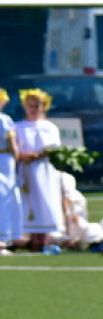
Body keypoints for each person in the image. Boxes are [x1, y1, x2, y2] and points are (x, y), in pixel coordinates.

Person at [15, 88, 62, 252]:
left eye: (37, 106)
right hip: (25, 170)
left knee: (43, 200)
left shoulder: (49, 127)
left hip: (42, 170)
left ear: (44, 107)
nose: (33, 109)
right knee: (27, 202)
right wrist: (22, 156)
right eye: (30, 106)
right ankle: (29, 239)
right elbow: (13, 147)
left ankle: (42, 239)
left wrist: (37, 155)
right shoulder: (18, 127)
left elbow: (53, 148)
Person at [0, 87, 21, 254]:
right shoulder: (4, 119)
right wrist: (18, 159)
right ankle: (4, 237)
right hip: (4, 159)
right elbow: (12, 145)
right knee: (5, 197)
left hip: (4, 159)